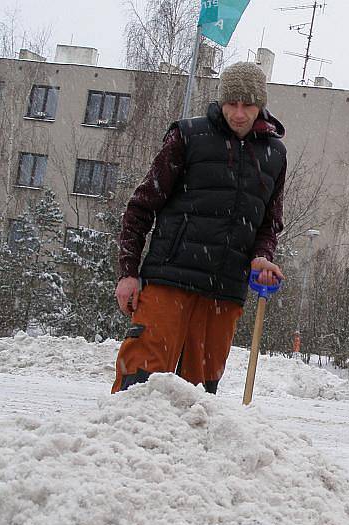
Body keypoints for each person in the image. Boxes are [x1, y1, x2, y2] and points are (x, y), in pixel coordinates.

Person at [112, 61, 286, 394]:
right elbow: (140, 207)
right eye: (231, 103)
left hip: (225, 290)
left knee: (200, 395)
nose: (238, 113)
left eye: (247, 104)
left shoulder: (274, 154)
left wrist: (262, 256)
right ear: (221, 101)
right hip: (169, 279)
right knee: (140, 381)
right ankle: (121, 445)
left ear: (260, 105)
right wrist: (128, 273)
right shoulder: (188, 136)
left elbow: (268, 223)